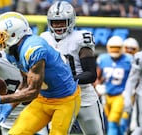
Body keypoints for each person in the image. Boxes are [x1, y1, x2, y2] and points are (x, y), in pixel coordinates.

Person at [0, 11, 81, 135]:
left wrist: (2, 99)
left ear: (14, 35)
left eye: (2, 36)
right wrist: (11, 105)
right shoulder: (12, 53)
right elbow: (25, 81)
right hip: (43, 99)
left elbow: (32, 91)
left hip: (65, 100)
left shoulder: (33, 50)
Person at [40, 1, 105, 135]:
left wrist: (66, 80)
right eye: (54, 22)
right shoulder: (44, 39)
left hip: (84, 94)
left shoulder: (80, 38)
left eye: (62, 22)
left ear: (71, 21)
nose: (58, 26)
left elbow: (91, 74)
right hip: (60, 96)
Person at [94, 36, 133, 135]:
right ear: (108, 47)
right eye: (113, 47)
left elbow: (135, 77)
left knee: (112, 121)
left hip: (121, 95)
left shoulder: (129, 60)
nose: (115, 50)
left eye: (117, 48)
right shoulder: (103, 59)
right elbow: (96, 76)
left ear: (122, 48)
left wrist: (131, 91)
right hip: (107, 95)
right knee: (117, 124)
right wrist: (98, 85)